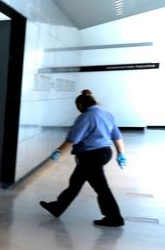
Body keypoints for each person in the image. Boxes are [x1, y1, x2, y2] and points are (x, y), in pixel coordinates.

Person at [39, 90, 127, 227]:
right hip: (104, 153)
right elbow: (117, 136)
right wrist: (121, 154)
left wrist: (58, 152)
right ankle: (57, 207)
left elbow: (72, 139)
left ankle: (114, 217)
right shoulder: (107, 115)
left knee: (101, 187)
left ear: (80, 105)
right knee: (76, 182)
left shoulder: (85, 117)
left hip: (91, 156)